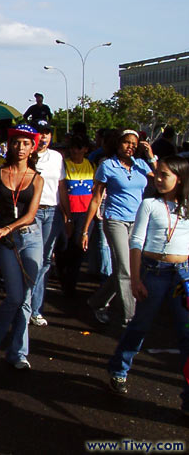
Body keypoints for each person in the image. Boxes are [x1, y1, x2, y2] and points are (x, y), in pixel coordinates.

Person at [107, 156, 189, 412]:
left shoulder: (187, 207)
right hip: (153, 272)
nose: (159, 179)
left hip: (183, 275)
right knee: (140, 326)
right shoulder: (149, 204)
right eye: (158, 174)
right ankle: (119, 369)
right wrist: (135, 278)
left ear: (180, 178)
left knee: (186, 334)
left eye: (165, 175)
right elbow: (136, 242)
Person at [0, 124, 44, 369]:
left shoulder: (37, 179)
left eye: (26, 143)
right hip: (6, 241)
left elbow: (30, 215)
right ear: (10, 144)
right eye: (16, 142)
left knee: (26, 299)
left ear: (32, 148)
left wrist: (8, 227)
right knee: (14, 297)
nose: (20, 148)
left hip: (30, 237)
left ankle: (18, 353)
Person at [82, 129, 157, 325]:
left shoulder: (141, 165)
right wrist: (85, 230)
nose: (130, 146)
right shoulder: (107, 166)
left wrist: (150, 156)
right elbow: (96, 198)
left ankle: (97, 301)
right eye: (126, 142)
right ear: (117, 144)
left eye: (134, 143)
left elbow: (160, 181)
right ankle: (131, 317)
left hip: (138, 221)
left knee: (125, 270)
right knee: (126, 269)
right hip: (115, 220)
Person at [29, 119, 69, 326]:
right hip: (31, 213)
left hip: (51, 212)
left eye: (47, 132)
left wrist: (66, 213)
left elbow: (61, 187)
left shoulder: (57, 157)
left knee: (44, 262)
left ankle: (35, 309)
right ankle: (25, 306)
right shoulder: (25, 154)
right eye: (39, 132)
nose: (43, 136)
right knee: (30, 260)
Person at [59, 135, 96, 297]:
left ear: (86, 150)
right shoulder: (64, 166)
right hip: (67, 212)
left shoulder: (92, 166)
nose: (75, 151)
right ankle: (62, 277)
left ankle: (70, 286)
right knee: (64, 248)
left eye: (79, 148)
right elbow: (59, 192)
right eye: (73, 147)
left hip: (85, 214)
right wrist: (65, 215)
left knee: (79, 248)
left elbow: (96, 192)